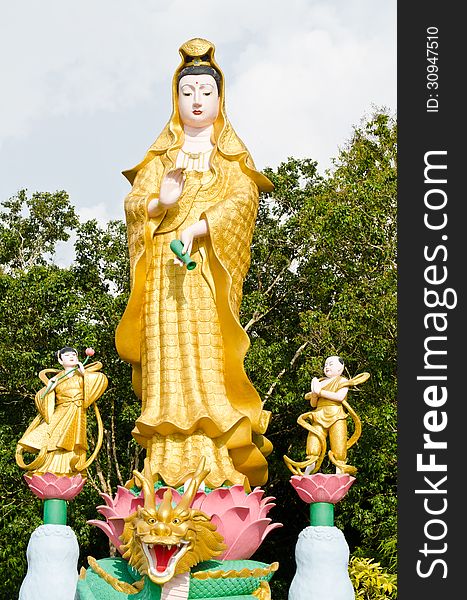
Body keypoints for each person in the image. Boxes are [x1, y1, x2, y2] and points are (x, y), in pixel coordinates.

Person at [115, 38, 274, 490]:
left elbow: (244, 201)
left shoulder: (230, 158)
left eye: (206, 91)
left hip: (202, 269)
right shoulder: (162, 157)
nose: (197, 100)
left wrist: (201, 227)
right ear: (176, 99)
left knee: (206, 357)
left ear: (220, 99)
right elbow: (134, 203)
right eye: (188, 93)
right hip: (164, 271)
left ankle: (215, 465)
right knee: (166, 365)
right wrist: (157, 202)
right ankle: (164, 466)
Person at [16, 347, 108, 476]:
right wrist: (49, 388)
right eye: (67, 355)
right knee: (53, 436)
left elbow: (99, 381)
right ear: (60, 360)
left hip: (77, 411)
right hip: (61, 411)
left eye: (74, 355)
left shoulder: (84, 374)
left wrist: (84, 374)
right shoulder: (57, 379)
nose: (71, 357)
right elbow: (42, 398)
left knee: (75, 440)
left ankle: (70, 468)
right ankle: (50, 467)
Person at [284, 356, 369, 475]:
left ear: (340, 368)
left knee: (339, 449)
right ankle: (307, 473)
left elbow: (340, 397)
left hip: (337, 415)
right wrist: (314, 394)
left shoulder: (342, 381)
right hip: (319, 414)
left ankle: (339, 473)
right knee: (313, 445)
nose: (327, 367)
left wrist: (320, 392)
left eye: (331, 364)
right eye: (325, 365)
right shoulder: (319, 382)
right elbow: (313, 404)